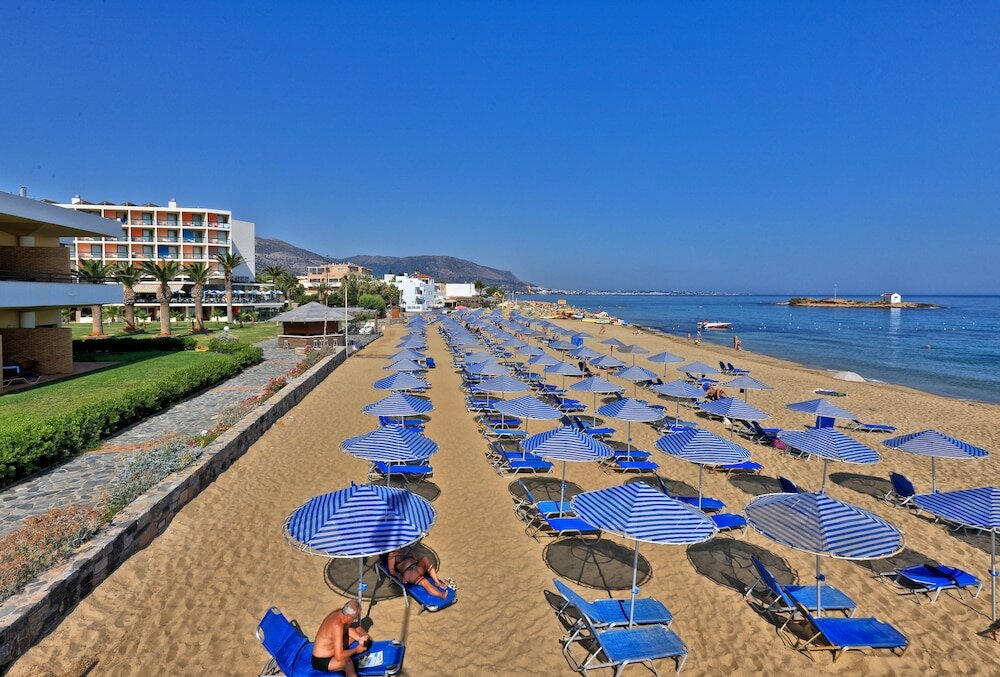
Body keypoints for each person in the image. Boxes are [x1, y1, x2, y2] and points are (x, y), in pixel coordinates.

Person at [312, 600, 371, 675]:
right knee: (348, 663)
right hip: (322, 660)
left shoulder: (341, 613)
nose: (355, 620)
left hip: (333, 648)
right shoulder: (337, 626)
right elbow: (339, 656)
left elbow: (347, 629)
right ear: (348, 616)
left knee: (358, 630)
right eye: (354, 618)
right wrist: (356, 650)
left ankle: (363, 642)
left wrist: (360, 638)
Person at [387, 545, 453, 599]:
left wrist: (419, 564)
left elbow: (416, 558)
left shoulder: (407, 547)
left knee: (425, 558)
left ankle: (437, 582)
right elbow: (391, 570)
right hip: (408, 572)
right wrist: (399, 576)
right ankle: (441, 595)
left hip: (417, 567)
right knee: (424, 581)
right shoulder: (392, 554)